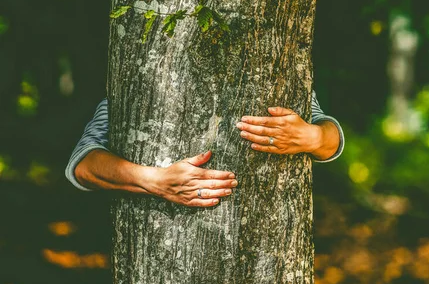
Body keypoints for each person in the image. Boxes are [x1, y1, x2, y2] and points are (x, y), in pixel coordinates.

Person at [65, 91, 344, 207]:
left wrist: (313, 136)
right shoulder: (142, 66)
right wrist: (154, 180)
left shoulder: (276, 60)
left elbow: (329, 134)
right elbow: (82, 164)